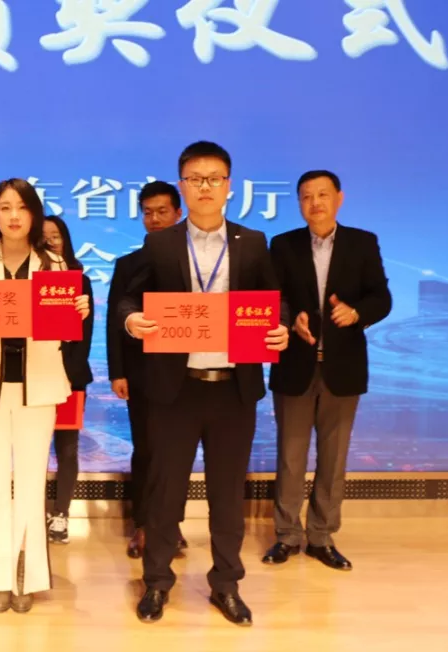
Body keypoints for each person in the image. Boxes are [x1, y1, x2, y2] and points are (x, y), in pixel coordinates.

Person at [120, 141, 289, 626]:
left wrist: (278, 326)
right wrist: (132, 321)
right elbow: (128, 300)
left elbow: (273, 301)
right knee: (164, 492)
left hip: (233, 389)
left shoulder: (252, 242)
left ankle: (226, 584)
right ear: (183, 186)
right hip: (175, 389)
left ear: (229, 186)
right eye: (196, 179)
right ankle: (157, 583)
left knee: (227, 495)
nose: (205, 187)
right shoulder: (161, 244)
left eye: (215, 178)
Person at [0, 179, 90, 614]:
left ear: (34, 213)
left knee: (30, 482)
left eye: (22, 207)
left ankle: (27, 573)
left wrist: (79, 313)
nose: (13, 216)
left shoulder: (56, 265)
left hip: (39, 385)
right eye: (4, 207)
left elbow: (67, 331)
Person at [263, 170, 391, 571]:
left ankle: (321, 536)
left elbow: (381, 297)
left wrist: (357, 312)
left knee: (333, 459)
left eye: (322, 194)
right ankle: (286, 535)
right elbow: (273, 298)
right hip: (295, 365)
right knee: (290, 457)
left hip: (343, 367)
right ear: (299, 203)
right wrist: (289, 321)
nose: (314, 203)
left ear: (339, 198)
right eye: (306, 196)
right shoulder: (283, 245)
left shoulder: (362, 243)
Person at [107, 181, 188, 558]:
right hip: (142, 372)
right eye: (148, 212)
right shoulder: (128, 264)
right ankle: (142, 524)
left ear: (178, 213)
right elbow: (115, 321)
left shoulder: (194, 261)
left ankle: (171, 525)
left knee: (178, 454)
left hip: (187, 372)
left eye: (162, 211)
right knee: (146, 450)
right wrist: (117, 372)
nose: (154, 219)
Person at [41, 215, 94, 545]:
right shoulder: (27, 281)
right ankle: (32, 512)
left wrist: (65, 374)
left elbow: (83, 336)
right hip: (33, 378)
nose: (50, 242)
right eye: (43, 237)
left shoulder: (80, 281)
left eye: (56, 236)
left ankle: (61, 514)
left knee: (67, 449)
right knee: (32, 450)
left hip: (70, 378)